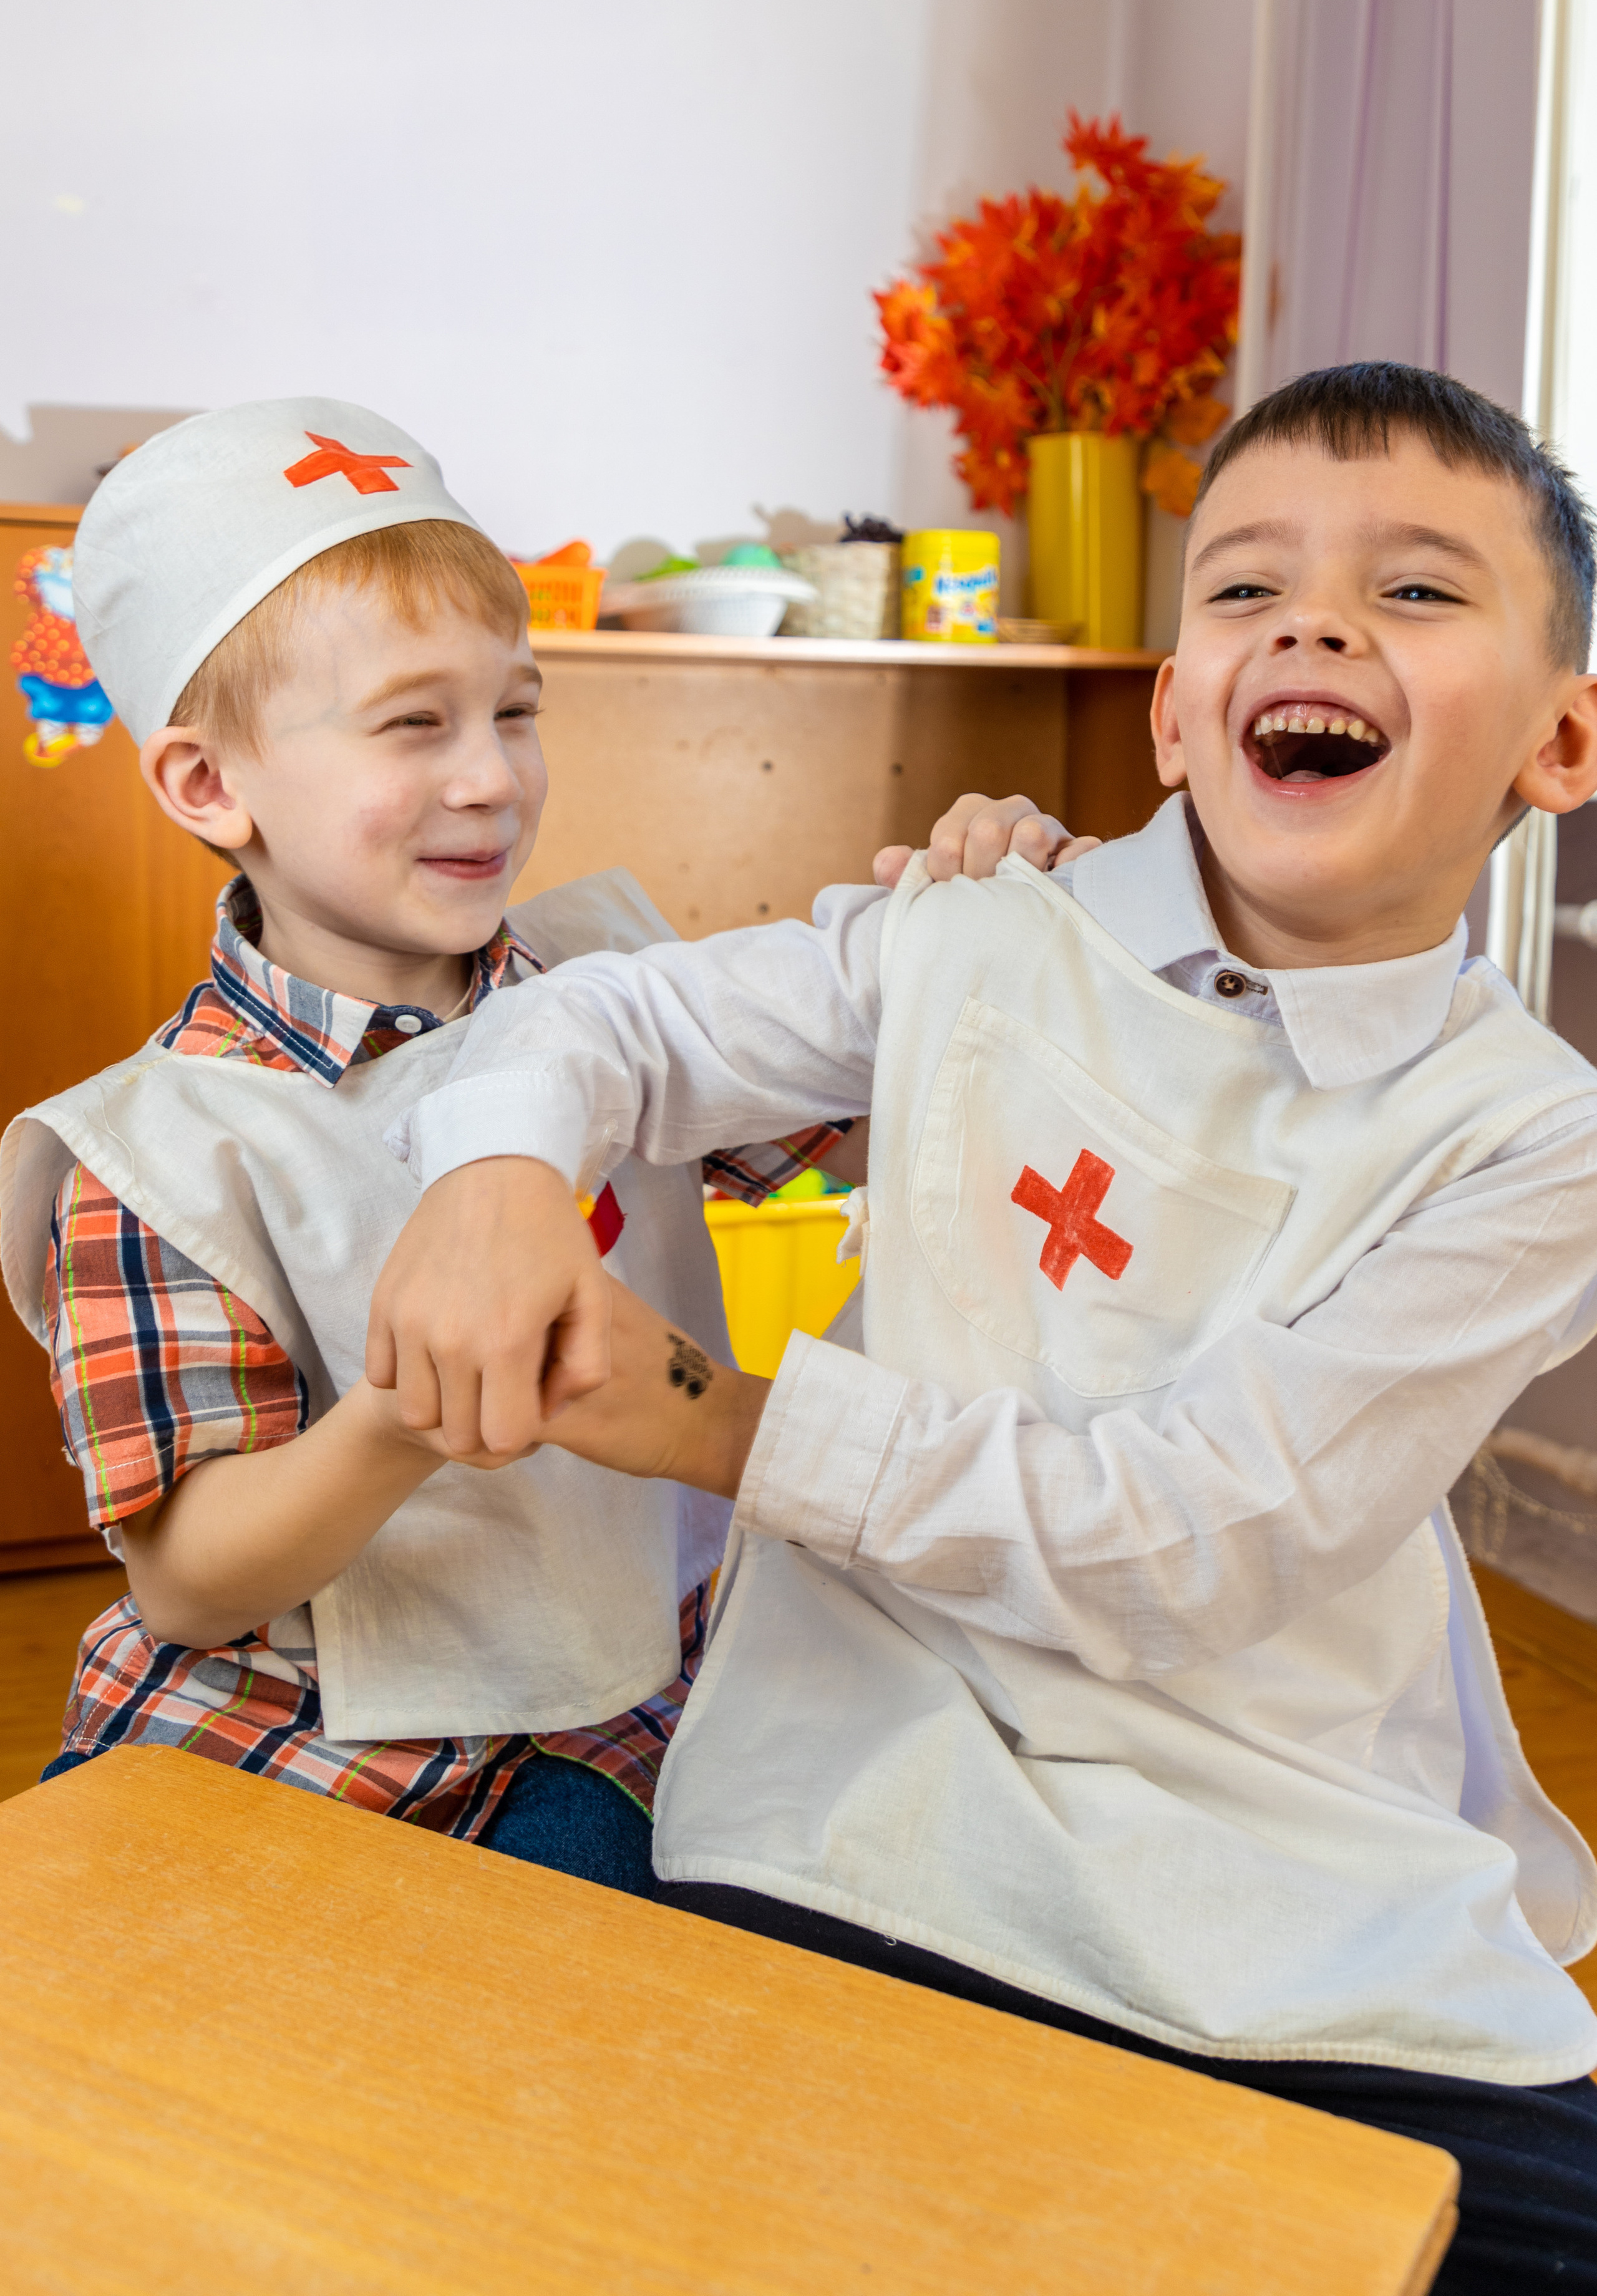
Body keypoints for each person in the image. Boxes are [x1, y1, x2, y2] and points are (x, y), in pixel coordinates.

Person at [368, 364, 1597, 2289]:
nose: (1322, 621)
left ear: (1565, 737)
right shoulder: (970, 933)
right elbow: (607, 1020)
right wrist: (496, 1178)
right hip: (879, 1820)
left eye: (1423, 592)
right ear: (1180, 708)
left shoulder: (1531, 1136)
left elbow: (1195, 1533)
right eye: (1248, 586)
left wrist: (718, 1423)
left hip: (1290, 1882)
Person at [0, 394, 884, 1891]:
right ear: (210, 784)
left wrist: (975, 927)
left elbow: (866, 1142)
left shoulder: (613, 983)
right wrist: (406, 1418)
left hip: (603, 1728)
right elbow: (189, 1579)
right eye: (415, 724)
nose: (490, 775)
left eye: (514, 709)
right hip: (286, 1750)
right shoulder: (148, 1150)